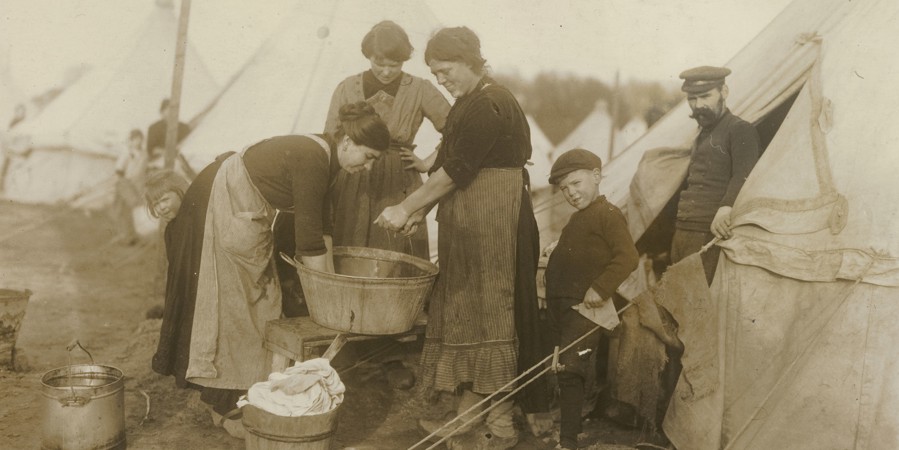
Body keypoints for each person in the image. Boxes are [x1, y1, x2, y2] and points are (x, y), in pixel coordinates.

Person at [151, 101, 389, 438]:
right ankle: (222, 407)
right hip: (219, 205)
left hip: (236, 206)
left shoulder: (325, 159)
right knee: (233, 311)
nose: (367, 167)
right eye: (368, 157)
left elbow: (322, 228)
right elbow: (309, 241)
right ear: (348, 142)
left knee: (255, 308)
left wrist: (333, 287)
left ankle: (238, 397)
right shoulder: (313, 158)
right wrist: (330, 302)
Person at [376, 26, 547, 449]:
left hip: (496, 224)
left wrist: (406, 207)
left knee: (495, 315)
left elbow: (455, 171)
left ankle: (500, 426)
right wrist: (421, 211)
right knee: (469, 314)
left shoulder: (491, 103)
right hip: (470, 223)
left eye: (446, 70)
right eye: (434, 74)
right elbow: (447, 162)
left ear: (470, 62)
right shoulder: (467, 103)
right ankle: (469, 411)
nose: (441, 80)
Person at [325, 20, 450, 260]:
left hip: (399, 181)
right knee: (349, 251)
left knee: (395, 253)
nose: (385, 71)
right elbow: (331, 138)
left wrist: (427, 162)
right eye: (378, 63)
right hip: (352, 182)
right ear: (368, 56)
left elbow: (456, 129)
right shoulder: (347, 87)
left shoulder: (419, 89)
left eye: (394, 65)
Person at [544, 149, 639, 450]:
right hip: (563, 306)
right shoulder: (577, 219)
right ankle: (572, 429)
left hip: (585, 309)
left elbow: (628, 257)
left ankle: (568, 441)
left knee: (571, 370)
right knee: (564, 368)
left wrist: (600, 287)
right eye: (564, 189)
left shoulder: (608, 214)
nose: (571, 193)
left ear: (596, 176)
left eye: (576, 183)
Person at [671, 66, 760, 284]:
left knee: (697, 297)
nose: (698, 105)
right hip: (684, 228)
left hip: (709, 232)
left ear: (724, 92)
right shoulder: (702, 133)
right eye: (692, 98)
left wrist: (726, 207)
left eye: (705, 96)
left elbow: (745, 174)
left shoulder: (740, 129)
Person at [110, 129, 148, 245]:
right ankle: (124, 236)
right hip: (125, 184)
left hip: (138, 185)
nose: (138, 141)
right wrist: (121, 184)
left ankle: (131, 236)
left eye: (140, 139)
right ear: (131, 140)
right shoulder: (127, 153)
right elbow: (119, 170)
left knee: (131, 210)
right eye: (135, 139)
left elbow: (144, 169)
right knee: (121, 210)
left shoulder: (144, 154)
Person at [146, 98, 191, 170]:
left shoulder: (184, 127)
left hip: (183, 158)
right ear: (162, 112)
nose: (171, 112)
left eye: (174, 109)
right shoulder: (154, 128)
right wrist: (165, 152)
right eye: (168, 109)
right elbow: (151, 150)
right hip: (160, 162)